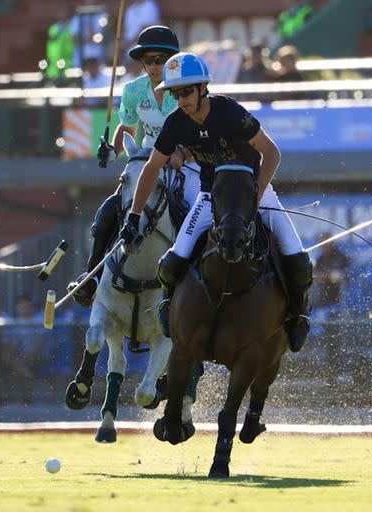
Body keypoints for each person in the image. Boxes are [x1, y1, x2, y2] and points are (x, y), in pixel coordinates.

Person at [118, 51, 313, 352]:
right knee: (170, 265)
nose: (181, 99)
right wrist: (133, 214)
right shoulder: (175, 123)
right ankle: (169, 305)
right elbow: (152, 167)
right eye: (175, 93)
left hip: (254, 191)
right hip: (212, 197)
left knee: (298, 259)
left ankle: (297, 315)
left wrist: (255, 196)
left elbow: (271, 153)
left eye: (186, 92)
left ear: (202, 88)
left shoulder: (230, 112)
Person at [68, 26, 199, 307]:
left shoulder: (187, 88)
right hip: (147, 164)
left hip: (185, 165)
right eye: (148, 60)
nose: (154, 66)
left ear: (172, 60)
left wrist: (183, 153)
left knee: (199, 216)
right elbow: (125, 129)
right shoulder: (132, 90)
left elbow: (203, 132)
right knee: (110, 210)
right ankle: (91, 276)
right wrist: (112, 152)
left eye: (161, 59)